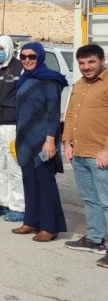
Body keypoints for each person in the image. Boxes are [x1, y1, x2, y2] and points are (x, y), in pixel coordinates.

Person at [11, 42, 68, 242]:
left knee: (45, 183)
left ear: (41, 57)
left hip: (43, 140)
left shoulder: (49, 81)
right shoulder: (26, 78)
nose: (27, 60)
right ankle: (31, 221)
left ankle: (50, 226)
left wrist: (50, 140)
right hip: (25, 139)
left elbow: (53, 112)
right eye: (24, 57)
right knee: (29, 181)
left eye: (32, 57)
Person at [62, 44, 108, 265]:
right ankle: (96, 239)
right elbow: (70, 115)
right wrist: (67, 143)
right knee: (90, 199)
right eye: (82, 63)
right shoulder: (79, 85)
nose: (86, 67)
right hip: (79, 152)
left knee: (107, 201)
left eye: (91, 62)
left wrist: (106, 149)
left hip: (101, 155)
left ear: (101, 60)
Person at [0, 36, 25, 221]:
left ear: (8, 48)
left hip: (11, 126)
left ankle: (19, 206)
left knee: (14, 167)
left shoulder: (20, 69)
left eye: (1, 48)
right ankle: (0, 202)